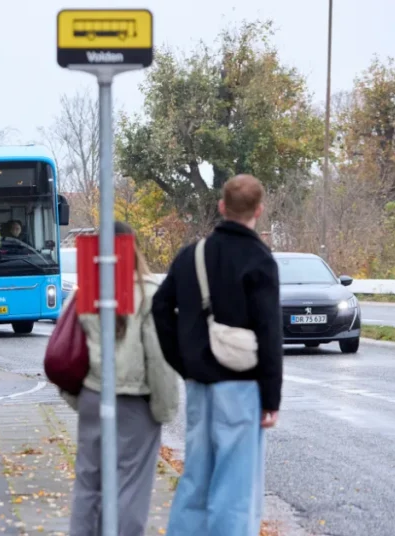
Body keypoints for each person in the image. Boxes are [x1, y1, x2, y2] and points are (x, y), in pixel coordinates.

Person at [152, 175, 282, 536]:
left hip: (199, 386)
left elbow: (160, 309)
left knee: (196, 478)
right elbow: (270, 333)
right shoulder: (260, 260)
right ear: (259, 210)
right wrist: (271, 398)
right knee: (235, 488)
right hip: (242, 389)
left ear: (222, 207)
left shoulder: (191, 256)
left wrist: (185, 363)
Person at [63, 221, 180, 536]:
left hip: (92, 396)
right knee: (131, 488)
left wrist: (78, 398)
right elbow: (159, 358)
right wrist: (164, 409)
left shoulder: (84, 292)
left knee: (88, 485)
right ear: (133, 249)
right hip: (134, 405)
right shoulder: (148, 294)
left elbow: (66, 347)